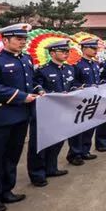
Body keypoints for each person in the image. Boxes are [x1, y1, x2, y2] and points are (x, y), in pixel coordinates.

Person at [0, 23, 37, 211]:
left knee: (11, 157)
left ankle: (6, 190)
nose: (22, 42)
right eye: (18, 39)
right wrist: (21, 97)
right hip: (0, 117)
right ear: (5, 40)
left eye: (24, 39)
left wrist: (39, 90)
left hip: (20, 116)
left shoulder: (26, 60)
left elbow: (31, 82)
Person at [28, 39, 74, 187]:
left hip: (63, 110)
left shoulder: (69, 69)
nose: (66, 54)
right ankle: (37, 174)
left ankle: (51, 168)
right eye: (63, 51)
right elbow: (34, 84)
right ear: (52, 53)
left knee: (58, 140)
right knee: (40, 143)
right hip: (45, 112)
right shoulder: (43, 70)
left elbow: (74, 84)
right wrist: (40, 90)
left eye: (68, 51)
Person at [70, 38, 101, 158]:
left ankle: (85, 150)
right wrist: (84, 86)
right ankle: (75, 154)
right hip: (81, 101)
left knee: (90, 126)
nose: (95, 51)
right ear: (84, 49)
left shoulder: (95, 64)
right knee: (79, 129)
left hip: (93, 100)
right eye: (92, 48)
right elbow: (72, 83)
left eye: (96, 48)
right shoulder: (77, 66)